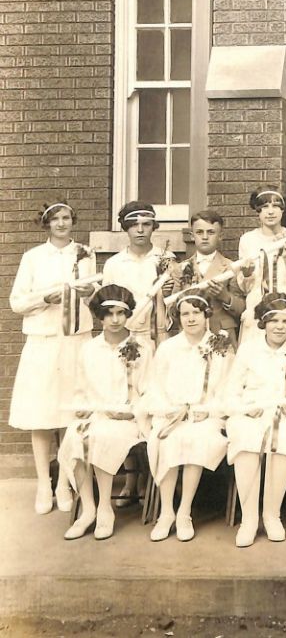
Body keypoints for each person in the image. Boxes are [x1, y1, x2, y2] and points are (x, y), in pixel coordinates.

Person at [10, 201, 96, 515]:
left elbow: (94, 293)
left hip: (75, 340)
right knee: (42, 412)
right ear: (46, 224)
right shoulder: (32, 257)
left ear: (73, 221)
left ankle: (65, 483)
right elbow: (17, 302)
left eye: (66, 218)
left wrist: (88, 294)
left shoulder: (85, 253)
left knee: (70, 413)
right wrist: (45, 297)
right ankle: (44, 484)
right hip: (44, 341)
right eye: (55, 219)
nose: (61, 223)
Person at [58, 286, 148, 540]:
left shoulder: (141, 347)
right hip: (96, 414)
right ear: (100, 316)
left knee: (104, 436)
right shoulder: (89, 349)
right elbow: (80, 388)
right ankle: (88, 508)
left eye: (121, 313)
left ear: (128, 314)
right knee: (75, 437)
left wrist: (133, 412)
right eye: (109, 314)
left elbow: (151, 390)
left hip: (129, 419)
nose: (116, 320)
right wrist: (82, 409)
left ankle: (105, 507)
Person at [223, 293, 286, 547]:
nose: (280, 326)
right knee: (245, 437)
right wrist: (243, 408)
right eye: (274, 320)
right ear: (263, 322)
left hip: (285, 416)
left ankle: (272, 514)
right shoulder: (249, 350)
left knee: (285, 438)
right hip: (251, 412)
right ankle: (249, 518)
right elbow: (231, 390)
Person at [144, 293, 232, 542]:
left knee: (195, 438)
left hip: (206, 415)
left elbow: (228, 387)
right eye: (185, 313)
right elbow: (155, 386)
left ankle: (184, 511)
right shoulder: (168, 348)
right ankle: (166, 511)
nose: (191, 318)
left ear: (206, 316)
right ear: (178, 317)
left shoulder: (220, 346)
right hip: (171, 413)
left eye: (196, 313)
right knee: (165, 440)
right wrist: (169, 409)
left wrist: (210, 410)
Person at [102, 201, 179, 348]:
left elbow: (178, 306)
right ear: (126, 228)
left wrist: (167, 294)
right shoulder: (114, 263)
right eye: (134, 225)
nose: (140, 230)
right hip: (125, 337)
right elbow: (107, 308)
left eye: (146, 224)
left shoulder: (167, 259)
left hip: (159, 337)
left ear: (153, 226)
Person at [172, 210, 245, 347]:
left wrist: (225, 296)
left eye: (211, 232)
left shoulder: (231, 267)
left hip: (221, 334)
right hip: (190, 335)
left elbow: (242, 308)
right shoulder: (181, 269)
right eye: (199, 232)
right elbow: (171, 309)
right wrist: (184, 297)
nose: (205, 237)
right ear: (192, 235)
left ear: (220, 236)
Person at [236, 188, 286, 344]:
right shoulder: (248, 240)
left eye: (276, 206)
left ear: (283, 209)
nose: (270, 212)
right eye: (265, 207)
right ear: (257, 210)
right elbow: (245, 288)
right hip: (258, 307)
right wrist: (247, 274)